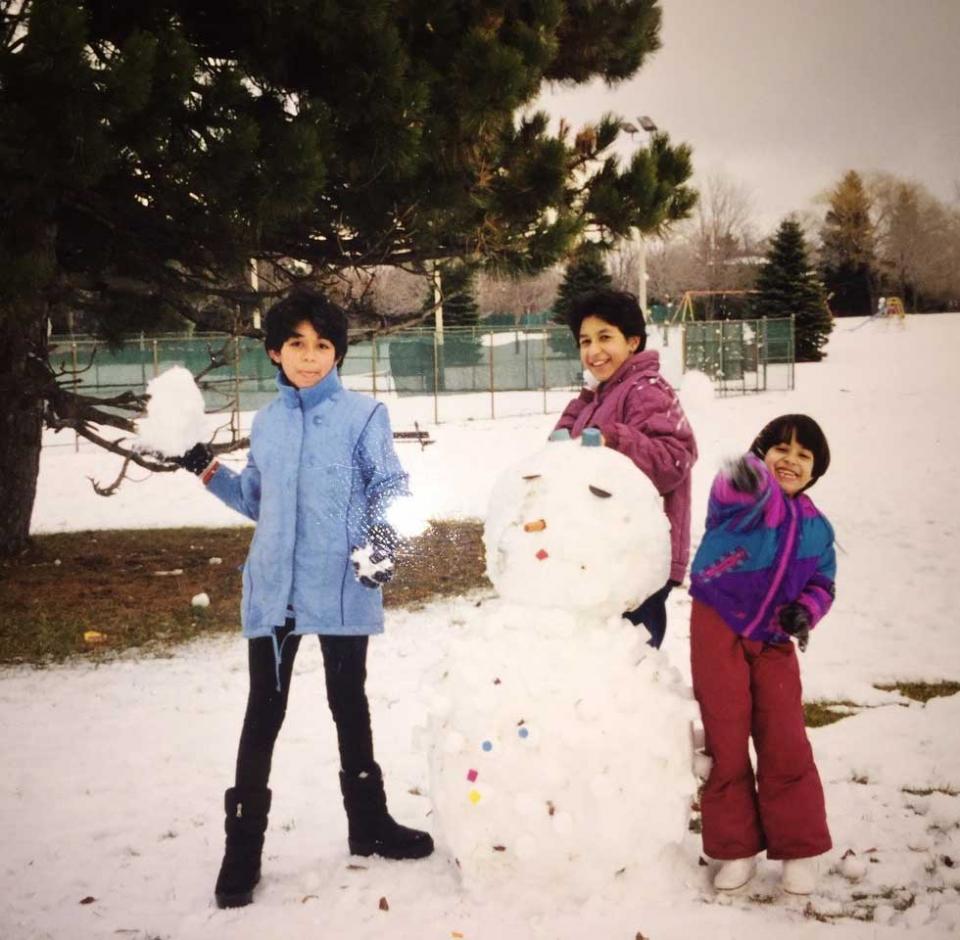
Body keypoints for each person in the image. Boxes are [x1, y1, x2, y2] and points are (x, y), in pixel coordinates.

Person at [175, 287, 433, 909]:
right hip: (276, 591)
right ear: (274, 351)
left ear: (338, 353)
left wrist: (381, 547)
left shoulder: (363, 417)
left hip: (342, 585)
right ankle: (243, 849)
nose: (310, 357)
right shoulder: (267, 422)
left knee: (350, 703)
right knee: (263, 710)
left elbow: (393, 489)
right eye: (297, 344)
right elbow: (255, 502)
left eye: (323, 346)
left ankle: (369, 824)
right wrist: (207, 468)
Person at [688, 414, 836, 895]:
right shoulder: (745, 499)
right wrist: (749, 468)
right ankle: (734, 849)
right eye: (781, 449)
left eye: (803, 455)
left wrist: (806, 611)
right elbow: (732, 485)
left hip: (773, 639)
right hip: (719, 624)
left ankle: (798, 848)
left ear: (816, 470)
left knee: (785, 739)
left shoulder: (818, 528)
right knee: (726, 736)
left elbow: (823, 582)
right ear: (762, 453)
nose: (790, 460)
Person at [554, 288, 698, 647]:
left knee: (631, 661)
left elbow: (674, 457)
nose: (593, 351)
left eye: (606, 337)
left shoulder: (646, 389)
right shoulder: (597, 397)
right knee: (599, 657)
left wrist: (615, 439)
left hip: (639, 557)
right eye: (585, 340)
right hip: (600, 550)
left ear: (633, 341)